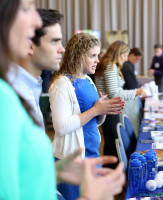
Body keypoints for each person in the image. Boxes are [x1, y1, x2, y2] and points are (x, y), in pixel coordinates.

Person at [0, 0, 125, 199]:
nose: (63, 49)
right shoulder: (8, 98)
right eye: (54, 41)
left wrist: (55, 172)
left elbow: (23, 176)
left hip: (84, 155)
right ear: (30, 43)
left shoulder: (29, 89)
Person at [49, 33, 125, 199]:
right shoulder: (62, 83)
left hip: (91, 155)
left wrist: (103, 111)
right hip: (72, 161)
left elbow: (93, 121)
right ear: (78, 56)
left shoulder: (88, 81)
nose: (98, 60)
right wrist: (96, 110)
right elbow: (61, 127)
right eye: (93, 56)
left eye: (97, 55)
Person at [95, 40, 146, 166]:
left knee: (111, 144)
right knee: (114, 144)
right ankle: (113, 174)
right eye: (124, 56)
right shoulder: (110, 66)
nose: (125, 59)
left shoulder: (108, 65)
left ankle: (108, 171)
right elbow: (114, 93)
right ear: (118, 54)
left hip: (108, 109)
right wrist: (136, 93)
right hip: (109, 110)